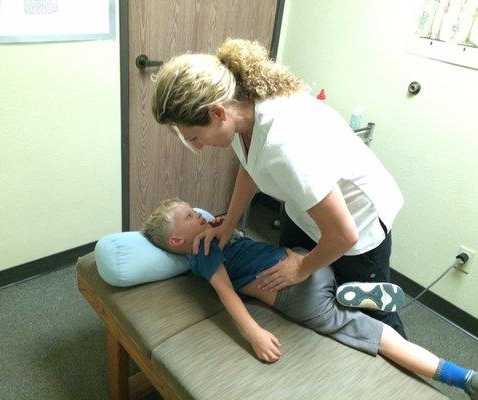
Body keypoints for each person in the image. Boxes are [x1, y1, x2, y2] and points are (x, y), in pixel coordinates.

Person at [151, 38, 407, 337]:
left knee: (374, 319)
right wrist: (228, 224)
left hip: (358, 225)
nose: (197, 145)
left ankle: (407, 372)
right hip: (306, 210)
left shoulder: (285, 144)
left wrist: (301, 268)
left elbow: (344, 234)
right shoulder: (241, 113)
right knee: (314, 291)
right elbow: (250, 167)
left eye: (194, 136)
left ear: (216, 113)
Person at [141, 198, 477, 398]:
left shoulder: (212, 233)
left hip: (299, 290)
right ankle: (350, 293)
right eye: (188, 217)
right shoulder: (201, 252)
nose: (197, 214)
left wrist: (221, 223)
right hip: (307, 264)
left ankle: (463, 379)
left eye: (192, 210)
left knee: (377, 338)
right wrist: (253, 332)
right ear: (177, 243)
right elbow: (226, 292)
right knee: (347, 304)